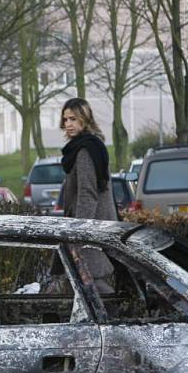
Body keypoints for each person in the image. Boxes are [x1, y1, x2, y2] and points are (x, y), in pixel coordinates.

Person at [58, 97, 116, 292]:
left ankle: (113, 322)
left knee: (91, 284)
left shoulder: (84, 151)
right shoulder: (87, 146)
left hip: (89, 228)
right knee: (82, 285)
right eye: (65, 120)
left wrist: (79, 232)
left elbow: (87, 194)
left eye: (73, 119)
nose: (68, 124)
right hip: (93, 226)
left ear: (85, 119)